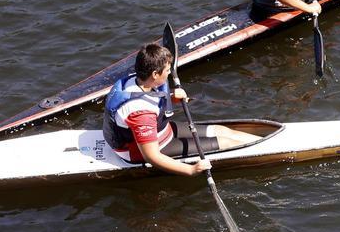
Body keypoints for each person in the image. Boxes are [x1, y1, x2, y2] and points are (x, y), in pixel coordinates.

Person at [103, 44, 258, 176]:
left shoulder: (135, 80)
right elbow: (152, 156)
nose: (170, 72)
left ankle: (260, 141)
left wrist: (171, 97)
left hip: (161, 131)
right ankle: (262, 148)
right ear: (155, 74)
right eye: (167, 70)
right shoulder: (140, 112)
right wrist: (190, 170)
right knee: (226, 142)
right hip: (147, 149)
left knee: (222, 131)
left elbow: (150, 98)